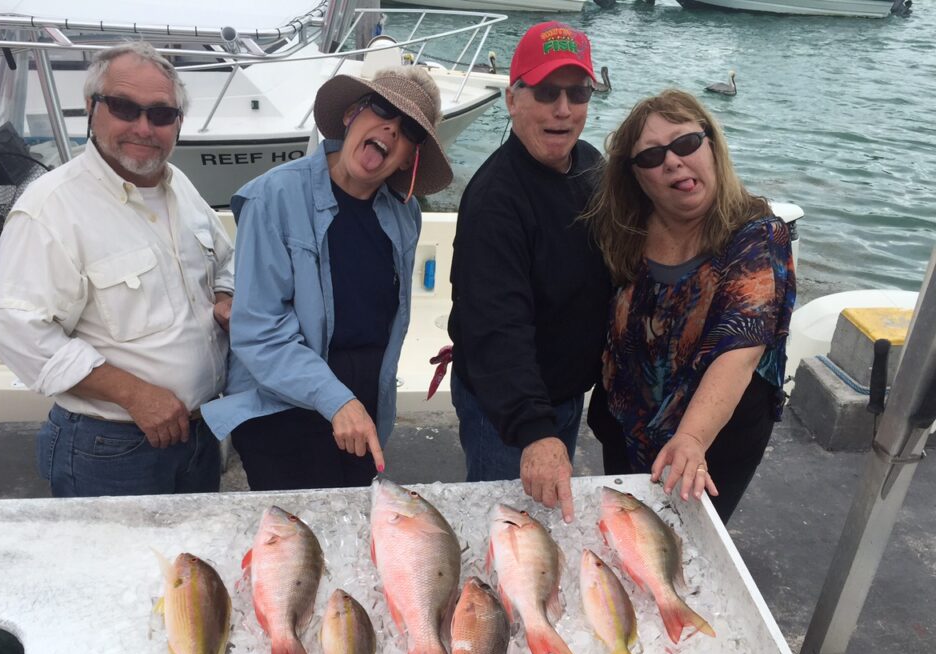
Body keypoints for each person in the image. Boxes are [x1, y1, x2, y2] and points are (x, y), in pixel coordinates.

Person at [0, 42, 234, 498]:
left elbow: (226, 260)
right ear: (91, 107)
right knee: (115, 569)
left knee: (189, 564)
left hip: (200, 433)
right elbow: (17, 331)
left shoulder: (178, 185)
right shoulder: (51, 209)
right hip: (111, 446)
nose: (144, 127)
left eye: (162, 115)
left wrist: (225, 296)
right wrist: (134, 394)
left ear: (178, 122)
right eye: (124, 107)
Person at [201, 68, 453, 491]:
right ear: (352, 114)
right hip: (282, 410)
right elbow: (259, 333)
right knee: (303, 540)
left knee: (355, 531)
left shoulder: (405, 213)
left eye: (408, 128)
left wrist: (359, 405)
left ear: (410, 156)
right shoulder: (273, 197)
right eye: (382, 108)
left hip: (361, 409)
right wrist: (337, 401)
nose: (391, 127)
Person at [584, 89, 796, 524]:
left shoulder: (757, 235)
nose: (672, 161)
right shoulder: (626, 232)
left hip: (708, 446)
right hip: (625, 430)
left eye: (685, 143)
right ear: (638, 177)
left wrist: (692, 439)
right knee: (626, 538)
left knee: (679, 552)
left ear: (712, 146)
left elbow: (740, 348)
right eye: (651, 156)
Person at [446, 21, 620, 523]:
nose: (563, 109)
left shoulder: (591, 165)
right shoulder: (497, 200)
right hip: (507, 407)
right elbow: (497, 325)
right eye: (546, 92)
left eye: (577, 92)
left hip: (563, 394)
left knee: (544, 519)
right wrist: (534, 430)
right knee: (509, 527)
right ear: (512, 99)